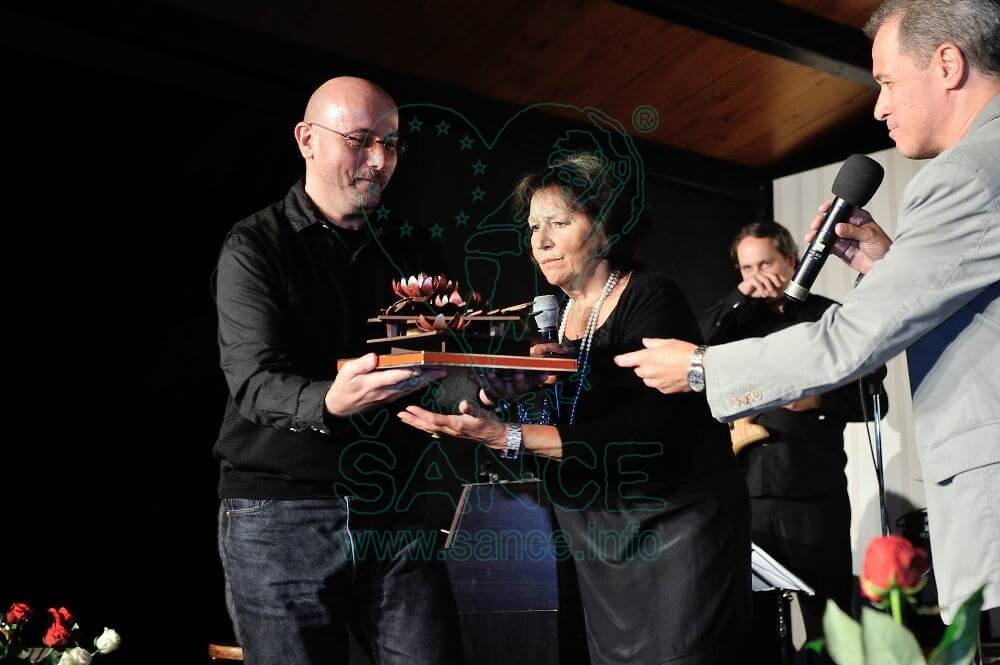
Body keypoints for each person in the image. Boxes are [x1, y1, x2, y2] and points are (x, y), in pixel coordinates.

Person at [614, 0, 1000, 624]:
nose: (878, 108)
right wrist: (888, 265)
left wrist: (703, 368)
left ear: (948, 64)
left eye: (887, 82)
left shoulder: (966, 175)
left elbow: (849, 341)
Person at [398, 152, 752, 664]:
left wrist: (506, 435)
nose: (540, 242)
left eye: (559, 223)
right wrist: (501, 398)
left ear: (606, 228)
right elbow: (547, 433)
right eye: (533, 227)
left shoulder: (651, 297)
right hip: (599, 534)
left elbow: (646, 434)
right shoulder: (553, 320)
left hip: (673, 524)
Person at [213, 76, 462, 665]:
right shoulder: (255, 245)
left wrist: (478, 386)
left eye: (391, 144)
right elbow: (253, 382)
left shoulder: (414, 249)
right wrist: (329, 401)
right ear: (307, 140)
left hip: (394, 508)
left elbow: (440, 370)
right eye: (359, 140)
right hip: (280, 515)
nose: (378, 160)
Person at [702, 220, 888, 658]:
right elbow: (693, 350)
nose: (757, 275)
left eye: (765, 263)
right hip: (746, 498)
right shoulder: (734, 322)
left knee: (831, 623)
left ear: (790, 260)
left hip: (814, 494)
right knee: (754, 627)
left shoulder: (829, 317)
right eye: (746, 268)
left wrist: (819, 401)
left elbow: (873, 400)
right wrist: (738, 298)